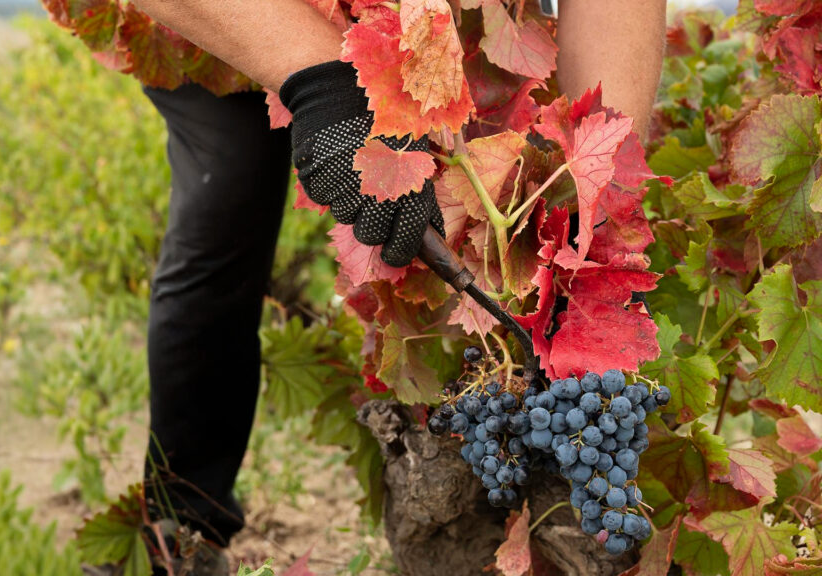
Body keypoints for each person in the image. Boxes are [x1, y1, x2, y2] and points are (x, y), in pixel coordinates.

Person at [126, 0, 667, 566]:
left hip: (430, 32)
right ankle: (181, 525)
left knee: (468, 210)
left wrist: (595, 196)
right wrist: (318, 78)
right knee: (225, 208)